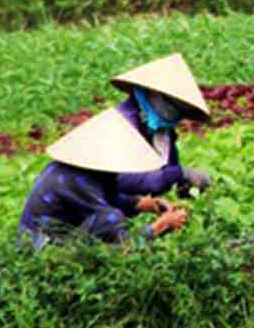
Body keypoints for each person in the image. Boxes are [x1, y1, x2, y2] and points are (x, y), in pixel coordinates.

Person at [18, 108, 189, 248]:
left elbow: (106, 195)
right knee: (112, 220)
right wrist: (160, 226)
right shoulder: (74, 180)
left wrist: (144, 204)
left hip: (51, 235)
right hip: (44, 249)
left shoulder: (80, 169)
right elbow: (112, 224)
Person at [109, 53, 214, 200]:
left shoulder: (162, 130)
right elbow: (121, 181)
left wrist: (183, 185)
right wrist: (180, 173)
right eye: (172, 103)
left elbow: (165, 170)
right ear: (151, 93)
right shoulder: (122, 123)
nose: (172, 111)